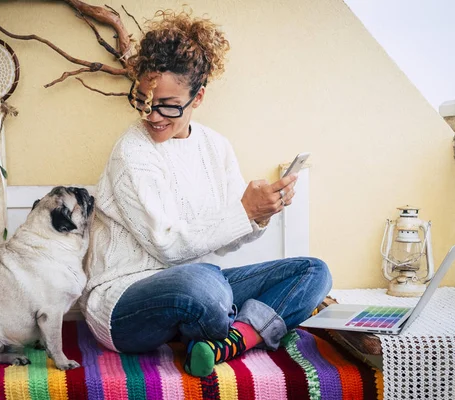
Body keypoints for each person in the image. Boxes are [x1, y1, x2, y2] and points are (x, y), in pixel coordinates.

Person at [81, 9, 332, 377]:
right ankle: (240, 322)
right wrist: (244, 212)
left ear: (197, 98)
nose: (152, 116)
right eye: (143, 101)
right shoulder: (131, 152)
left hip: (200, 284)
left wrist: (260, 214)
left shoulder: (216, 147)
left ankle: (231, 339)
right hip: (123, 302)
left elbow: (225, 241)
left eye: (167, 104)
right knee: (203, 284)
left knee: (313, 272)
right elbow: (168, 246)